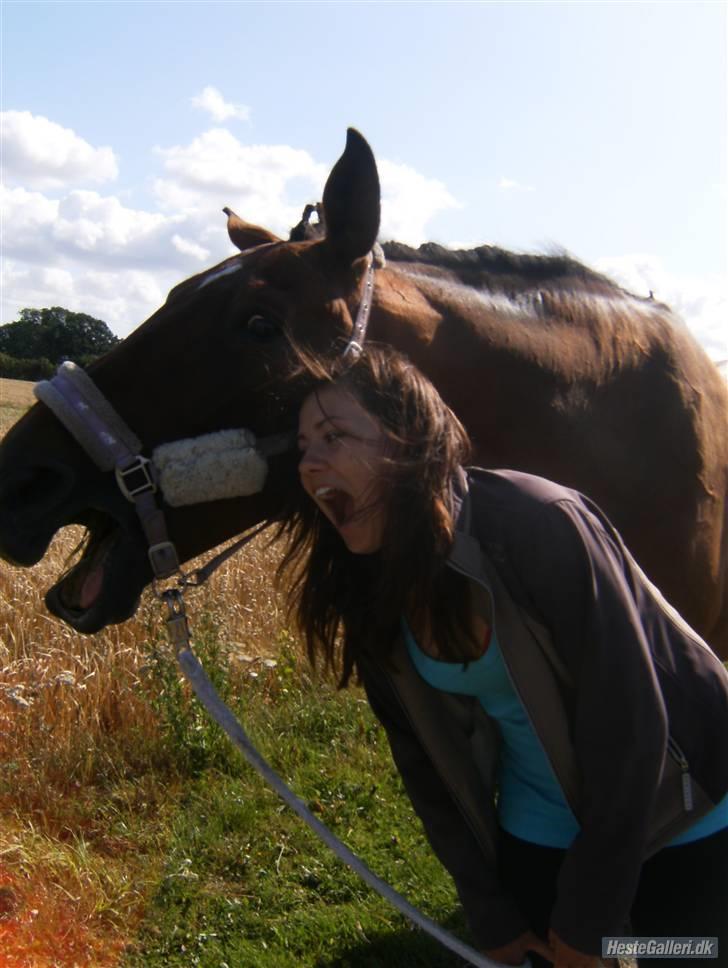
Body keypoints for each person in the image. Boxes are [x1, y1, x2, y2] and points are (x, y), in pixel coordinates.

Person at [278, 344, 728, 968]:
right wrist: (488, 910)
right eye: (303, 446)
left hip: (679, 800)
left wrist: (589, 923)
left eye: (333, 435)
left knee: (678, 955)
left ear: (409, 438)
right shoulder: (367, 585)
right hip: (539, 819)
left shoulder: (541, 524)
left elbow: (633, 727)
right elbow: (424, 767)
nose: (310, 463)